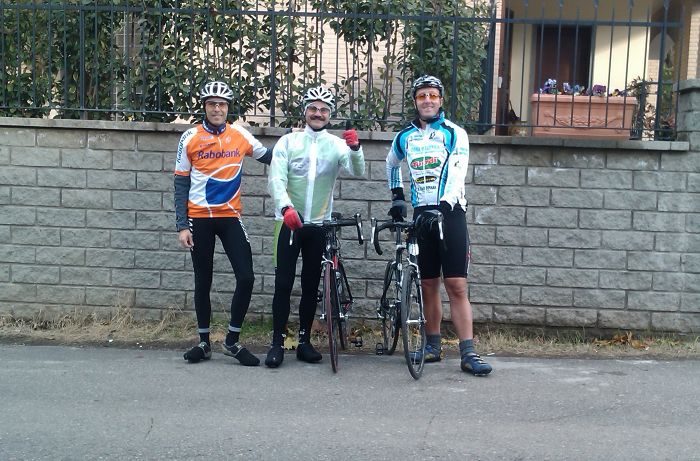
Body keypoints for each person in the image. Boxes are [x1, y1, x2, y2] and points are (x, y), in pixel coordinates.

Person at [385, 75, 492, 376]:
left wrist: (444, 206)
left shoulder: (454, 133)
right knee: (428, 285)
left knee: (456, 285)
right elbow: (391, 163)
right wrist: (397, 197)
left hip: (450, 213)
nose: (427, 100)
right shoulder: (404, 137)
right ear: (415, 101)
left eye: (432, 95)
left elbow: (458, 170)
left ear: (441, 100)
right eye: (422, 96)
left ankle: (468, 353)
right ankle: (432, 346)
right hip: (422, 215)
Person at [174, 80, 273, 366]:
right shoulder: (190, 137)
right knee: (202, 280)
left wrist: (294, 143)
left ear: (228, 108)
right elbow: (180, 183)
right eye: (212, 104)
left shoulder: (240, 134)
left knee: (246, 277)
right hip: (199, 219)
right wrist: (182, 225)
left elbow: (270, 157)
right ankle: (204, 343)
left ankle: (231, 341)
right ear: (204, 107)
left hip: (230, 217)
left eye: (222, 104)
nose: (217, 109)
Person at [266, 85, 365, 368]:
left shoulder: (336, 144)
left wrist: (355, 149)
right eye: (313, 108)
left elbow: (357, 170)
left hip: (318, 225)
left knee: (310, 286)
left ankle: (304, 343)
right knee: (283, 284)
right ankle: (276, 344)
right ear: (305, 111)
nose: (318, 113)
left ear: (329, 115)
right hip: (288, 223)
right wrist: (285, 208)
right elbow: (276, 179)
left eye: (323, 109)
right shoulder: (288, 142)